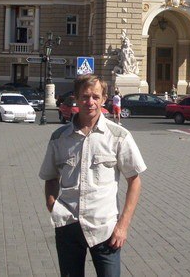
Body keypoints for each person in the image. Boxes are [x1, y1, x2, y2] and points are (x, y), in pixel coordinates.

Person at [39, 75, 147, 277]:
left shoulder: (118, 136)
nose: (90, 102)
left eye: (96, 97)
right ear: (76, 98)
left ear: (104, 99)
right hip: (68, 225)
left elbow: (135, 181)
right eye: (85, 96)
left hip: (105, 228)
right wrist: (52, 205)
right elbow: (50, 176)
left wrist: (123, 226)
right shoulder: (59, 138)